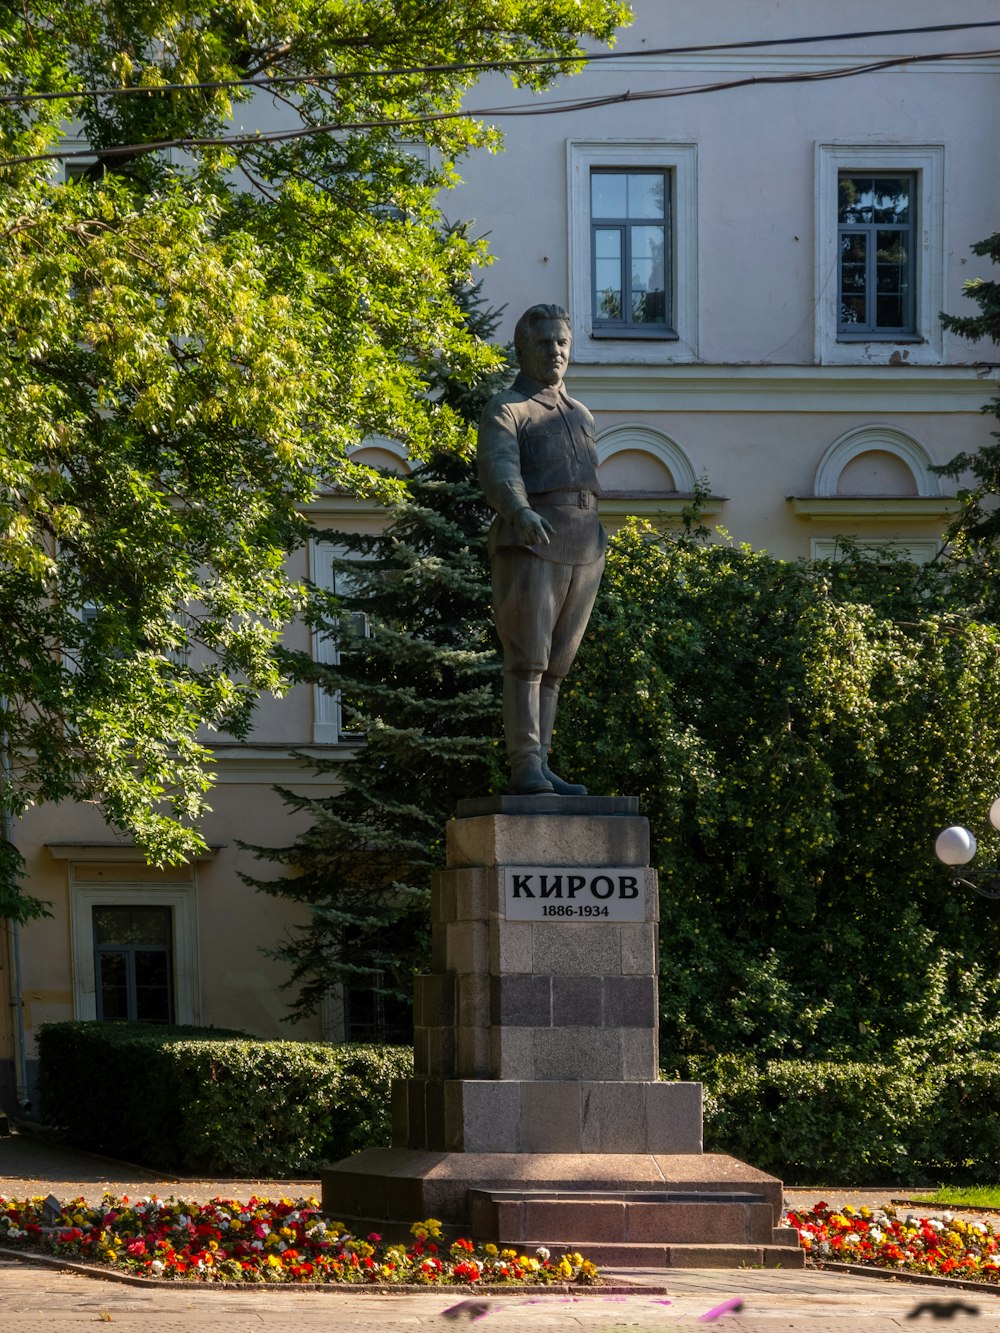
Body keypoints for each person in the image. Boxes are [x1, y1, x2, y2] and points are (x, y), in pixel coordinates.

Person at [477, 304, 606, 795]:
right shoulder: (509, 409)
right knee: (528, 658)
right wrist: (519, 509)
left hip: (584, 545)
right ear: (523, 349)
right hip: (532, 540)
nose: (555, 351)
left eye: (562, 343)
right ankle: (525, 762)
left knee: (556, 665)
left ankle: (543, 763)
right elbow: (498, 466)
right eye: (544, 343)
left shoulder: (580, 414)